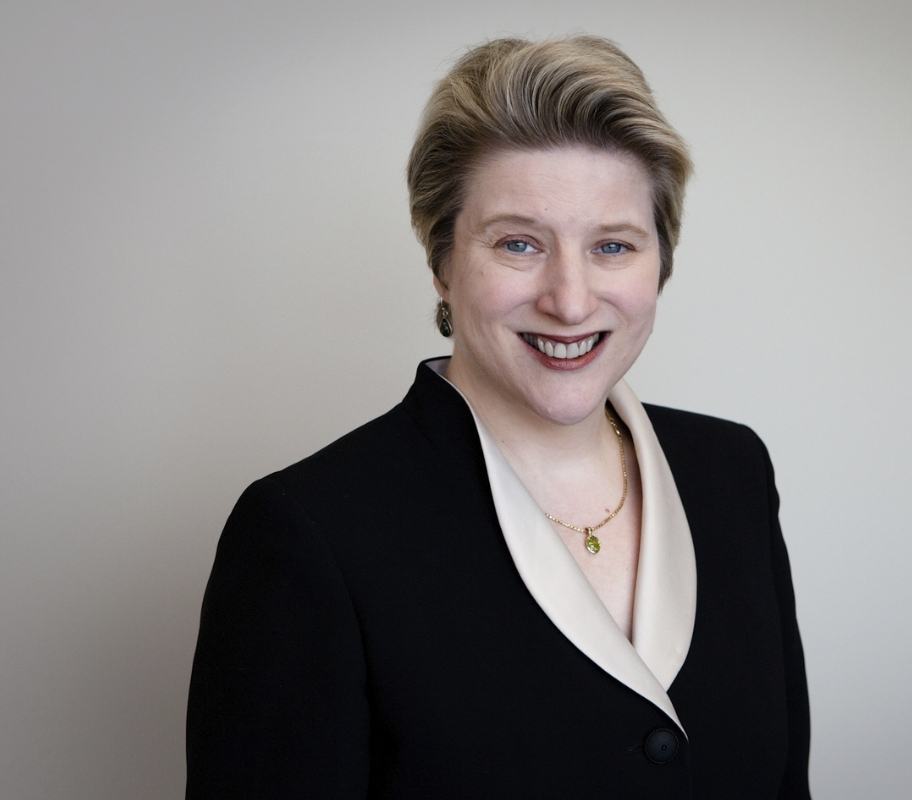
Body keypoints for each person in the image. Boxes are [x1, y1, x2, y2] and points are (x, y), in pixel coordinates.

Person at [186, 35, 810, 798]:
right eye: (519, 243)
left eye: (614, 246)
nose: (571, 299)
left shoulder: (732, 471)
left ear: (660, 264)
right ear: (441, 262)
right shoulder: (308, 533)